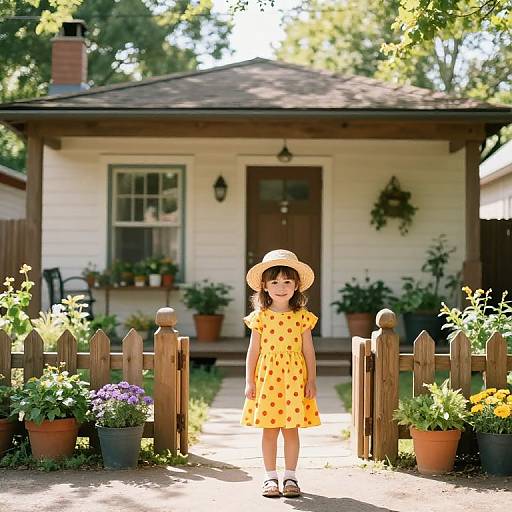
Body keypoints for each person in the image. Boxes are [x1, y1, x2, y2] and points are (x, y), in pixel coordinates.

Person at [241, 249, 321, 498]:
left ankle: (290, 477)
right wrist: (249, 381)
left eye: (287, 281)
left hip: (295, 380)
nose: (281, 287)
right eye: (274, 281)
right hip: (267, 380)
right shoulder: (260, 317)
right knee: (269, 429)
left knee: (291, 430)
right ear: (264, 286)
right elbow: (253, 352)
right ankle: (269, 478)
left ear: (296, 286)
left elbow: (309, 352)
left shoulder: (302, 317)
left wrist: (311, 380)